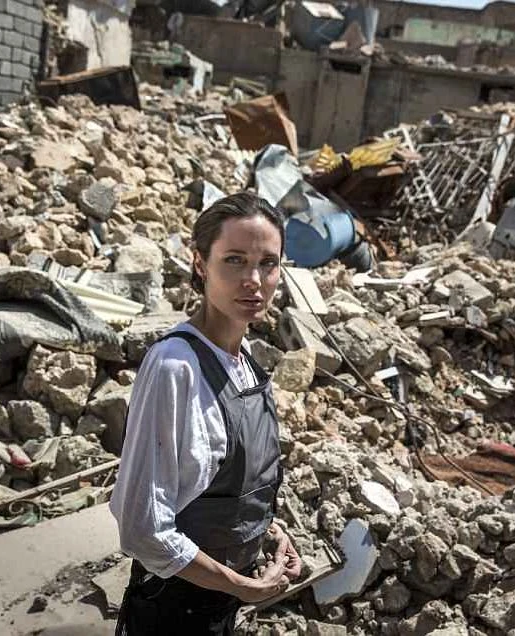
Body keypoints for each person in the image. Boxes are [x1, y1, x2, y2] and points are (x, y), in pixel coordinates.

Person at [111, 192, 302, 635]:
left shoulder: (245, 360)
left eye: (268, 263)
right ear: (200, 263)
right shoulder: (175, 366)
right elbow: (142, 528)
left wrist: (266, 532)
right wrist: (239, 584)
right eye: (234, 260)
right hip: (173, 609)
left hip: (219, 605)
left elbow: (220, 486)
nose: (253, 280)